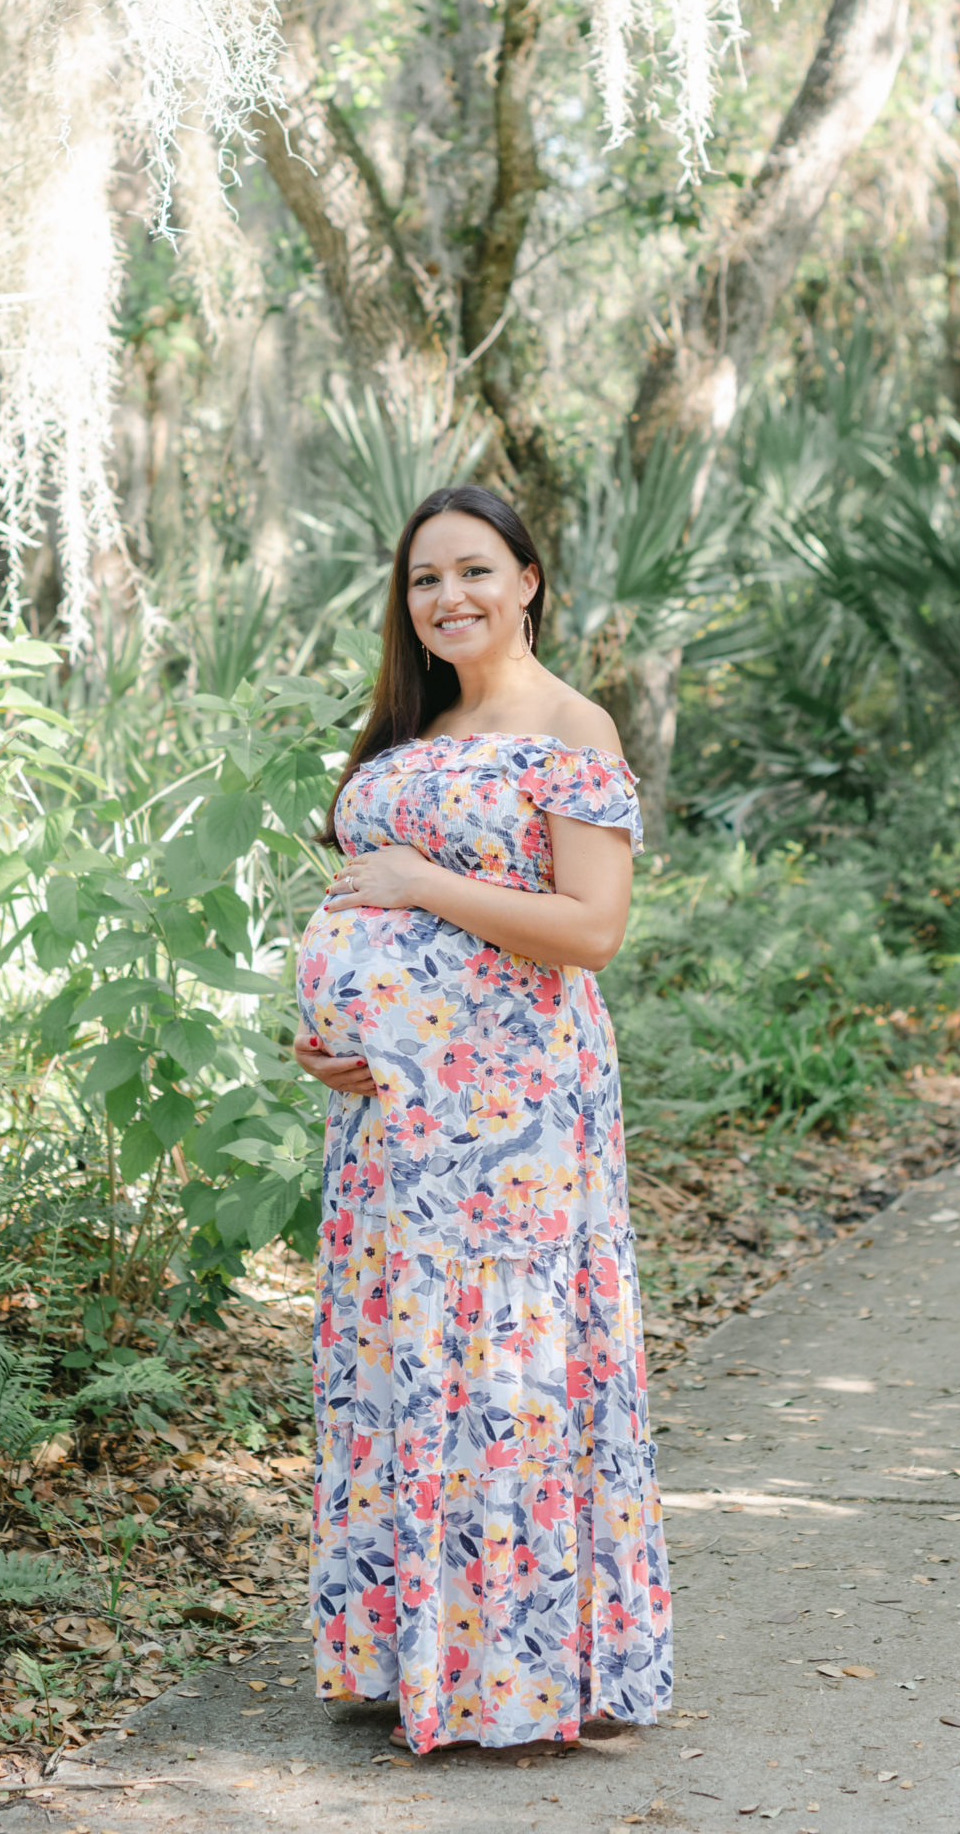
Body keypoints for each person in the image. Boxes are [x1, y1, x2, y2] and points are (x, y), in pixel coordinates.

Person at [291, 483, 673, 1755]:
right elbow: (375, 924)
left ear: (526, 580)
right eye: (420, 581)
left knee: (503, 1372)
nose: (445, 596)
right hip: (392, 1127)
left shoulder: (572, 727)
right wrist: (340, 1042)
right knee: (405, 1367)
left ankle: (514, 1676)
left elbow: (591, 929)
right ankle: (412, 1658)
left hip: (514, 1121)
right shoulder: (412, 728)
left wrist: (419, 883)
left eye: (471, 571)